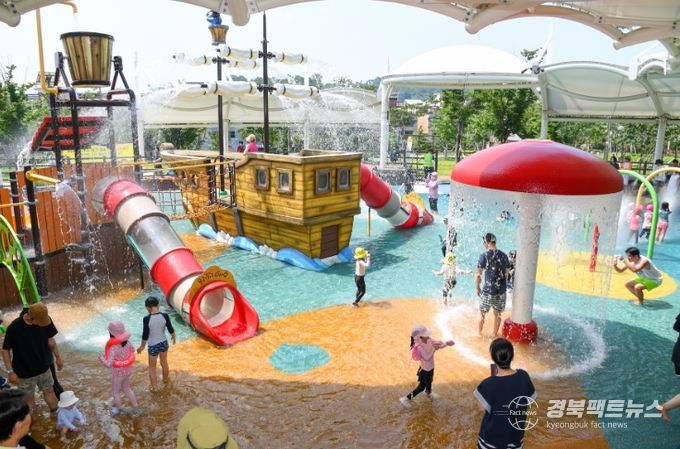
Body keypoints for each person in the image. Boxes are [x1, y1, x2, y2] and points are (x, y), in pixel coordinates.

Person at [473, 338, 536, 449]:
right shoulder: (524, 376)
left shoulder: (488, 384)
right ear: (512, 356)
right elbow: (529, 400)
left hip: (490, 441)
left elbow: (481, 408)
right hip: (515, 438)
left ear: (493, 359)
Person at [1, 303, 63, 412]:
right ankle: (34, 421)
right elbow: (5, 350)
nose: (43, 324)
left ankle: (58, 418)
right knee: (29, 400)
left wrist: (58, 357)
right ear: (30, 317)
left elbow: (51, 340)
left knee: (50, 392)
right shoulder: (14, 327)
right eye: (40, 323)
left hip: (44, 368)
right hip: (24, 373)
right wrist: (10, 372)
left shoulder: (45, 319)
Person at [399, 325, 454, 407]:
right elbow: (427, 357)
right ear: (420, 337)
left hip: (431, 367)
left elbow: (439, 345)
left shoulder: (429, 339)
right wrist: (434, 349)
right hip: (424, 370)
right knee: (421, 387)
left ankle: (428, 393)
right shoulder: (419, 347)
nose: (428, 335)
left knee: (430, 381)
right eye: (426, 334)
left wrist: (446, 343)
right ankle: (405, 398)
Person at [137, 296, 177, 390]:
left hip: (153, 345)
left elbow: (145, 334)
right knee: (164, 363)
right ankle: (165, 381)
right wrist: (174, 338)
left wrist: (142, 346)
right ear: (158, 305)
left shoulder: (147, 319)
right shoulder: (165, 315)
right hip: (163, 343)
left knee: (152, 368)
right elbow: (170, 328)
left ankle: (155, 389)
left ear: (147, 307)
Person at [99, 320, 138, 414]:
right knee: (127, 388)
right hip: (128, 370)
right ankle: (136, 406)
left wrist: (101, 359)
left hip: (118, 374)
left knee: (116, 392)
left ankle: (119, 409)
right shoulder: (128, 342)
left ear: (111, 333)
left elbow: (109, 364)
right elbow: (133, 350)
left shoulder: (113, 348)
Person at [475, 233, 510, 338]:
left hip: (488, 291)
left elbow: (478, 275)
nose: (484, 244)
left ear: (488, 242)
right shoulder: (504, 256)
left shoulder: (484, 255)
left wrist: (477, 287)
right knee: (498, 314)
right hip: (501, 291)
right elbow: (507, 273)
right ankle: (494, 334)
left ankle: (479, 334)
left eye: (484, 242)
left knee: (481, 312)